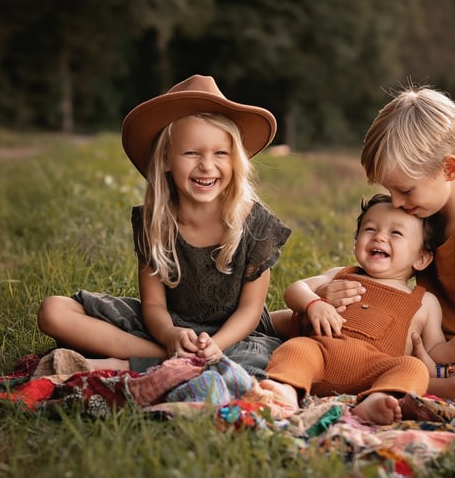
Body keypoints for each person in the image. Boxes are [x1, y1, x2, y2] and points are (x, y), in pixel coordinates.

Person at [37, 74, 291, 379]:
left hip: (233, 337)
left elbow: (250, 311)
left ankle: (137, 363)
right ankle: (170, 358)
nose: (207, 165)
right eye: (191, 153)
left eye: (220, 153)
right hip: (167, 329)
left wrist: (216, 344)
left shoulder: (255, 224)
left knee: (262, 362)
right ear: (166, 160)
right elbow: (154, 304)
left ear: (235, 160)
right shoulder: (154, 222)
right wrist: (170, 336)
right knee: (53, 311)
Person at [317, 84, 455, 411]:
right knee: (318, 323)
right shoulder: (421, 215)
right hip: (425, 343)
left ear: (448, 169)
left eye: (405, 190)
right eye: (390, 191)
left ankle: (420, 384)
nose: (395, 202)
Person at [259, 193, 455, 425]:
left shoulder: (424, 302)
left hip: (374, 371)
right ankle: (286, 389)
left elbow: (434, 352)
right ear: (356, 240)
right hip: (322, 353)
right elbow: (296, 289)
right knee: (297, 348)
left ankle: (380, 398)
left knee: (413, 367)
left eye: (395, 233)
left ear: (421, 258)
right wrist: (313, 303)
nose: (379, 237)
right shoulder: (340, 273)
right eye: (370, 229)